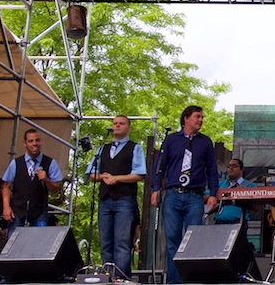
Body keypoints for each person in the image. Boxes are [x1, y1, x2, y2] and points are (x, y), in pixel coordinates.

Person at [150, 105, 219, 284]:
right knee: (172, 239)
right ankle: (174, 281)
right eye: (197, 116)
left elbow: (212, 170)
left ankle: (192, 280)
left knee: (193, 239)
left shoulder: (205, 142)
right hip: (172, 194)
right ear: (186, 118)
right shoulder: (171, 140)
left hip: (195, 196)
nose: (200, 120)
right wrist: (155, 189)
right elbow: (159, 166)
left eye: (202, 117)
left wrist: (213, 193)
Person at [87, 115, 146, 279]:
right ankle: (108, 278)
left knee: (122, 242)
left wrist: (117, 178)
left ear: (129, 127)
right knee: (105, 243)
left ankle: (121, 278)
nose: (117, 126)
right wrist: (102, 177)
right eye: (115, 123)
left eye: (121, 124)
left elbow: (140, 174)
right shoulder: (102, 149)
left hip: (124, 200)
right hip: (105, 199)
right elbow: (91, 174)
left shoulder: (135, 148)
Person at [1, 128, 63, 232]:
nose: (35, 144)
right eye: (31, 141)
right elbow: (6, 186)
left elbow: (56, 189)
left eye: (37, 140)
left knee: (38, 243)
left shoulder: (50, 163)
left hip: (39, 211)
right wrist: (6, 207)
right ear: (25, 143)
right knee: (14, 244)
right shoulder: (15, 163)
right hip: (18, 211)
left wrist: (46, 180)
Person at [212, 158, 256, 225]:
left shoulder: (250, 185)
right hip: (219, 222)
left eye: (234, 166)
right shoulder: (219, 185)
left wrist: (242, 195)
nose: (231, 168)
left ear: (242, 169)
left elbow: (256, 207)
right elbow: (205, 197)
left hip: (238, 222)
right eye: (229, 166)